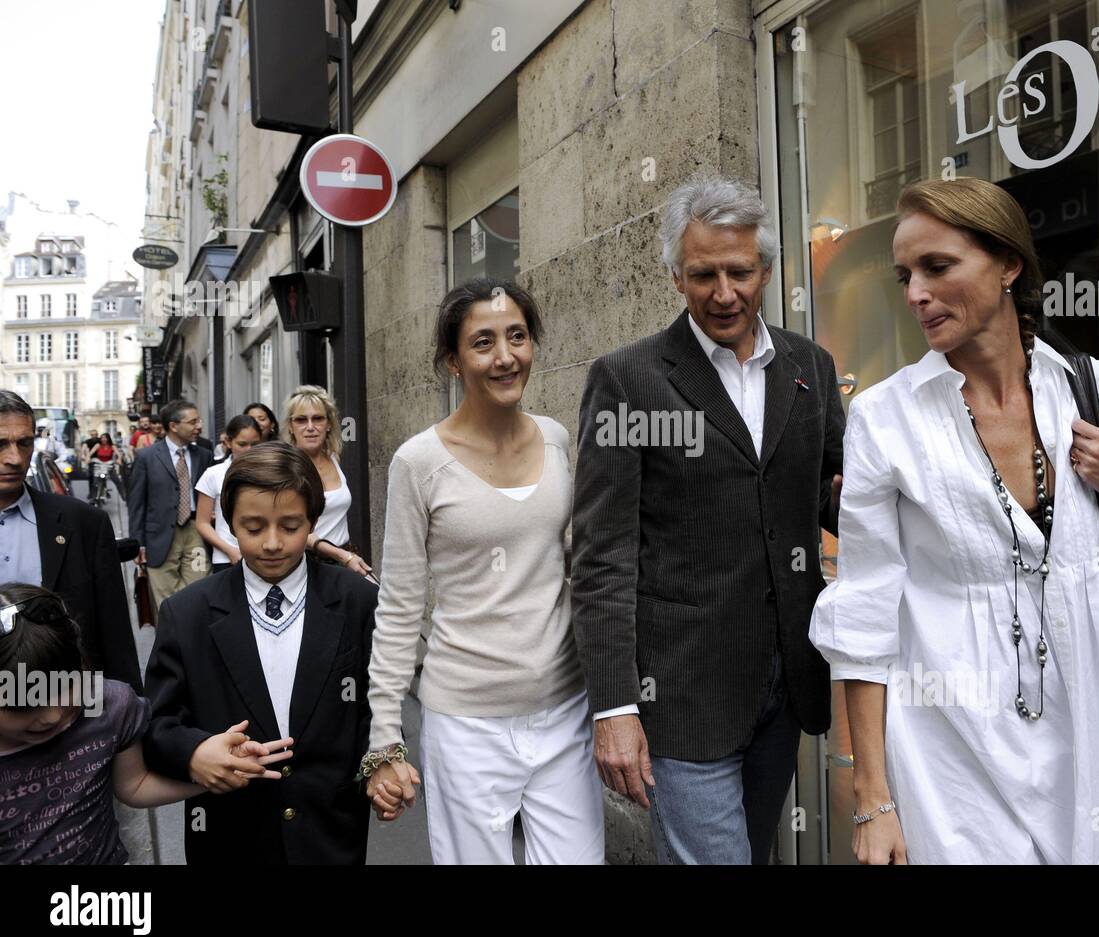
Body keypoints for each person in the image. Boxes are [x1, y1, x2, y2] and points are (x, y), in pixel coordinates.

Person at [809, 177, 1099, 865]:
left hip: (1089, 714)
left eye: (938, 266)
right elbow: (864, 617)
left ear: (1009, 264)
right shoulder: (885, 418)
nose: (915, 293)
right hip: (953, 737)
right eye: (905, 275)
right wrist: (874, 796)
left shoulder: (1085, 385)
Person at [570, 175, 845, 865]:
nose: (724, 293)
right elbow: (602, 556)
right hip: (682, 695)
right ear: (674, 275)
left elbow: (834, 497)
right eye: (703, 274)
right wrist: (615, 707)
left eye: (739, 272)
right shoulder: (628, 379)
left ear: (768, 270)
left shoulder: (809, 365)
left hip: (784, 684)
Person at [365, 279, 604, 865]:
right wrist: (384, 738)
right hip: (466, 721)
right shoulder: (419, 463)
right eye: (483, 342)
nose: (505, 357)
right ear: (453, 360)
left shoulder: (556, 439)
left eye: (517, 336)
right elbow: (398, 607)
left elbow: (575, 567)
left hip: (564, 708)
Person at [143, 443, 378, 864]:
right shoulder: (187, 613)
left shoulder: (356, 600)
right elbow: (158, 725)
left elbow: (373, 705)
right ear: (228, 523)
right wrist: (195, 752)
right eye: (253, 527)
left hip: (330, 834)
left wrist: (379, 764)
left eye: (290, 526)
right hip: (230, 836)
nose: (272, 543)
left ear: (313, 522)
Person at [0, 583, 289, 864]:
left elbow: (135, 786)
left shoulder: (110, 707)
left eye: (65, 689)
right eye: (24, 704)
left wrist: (216, 770)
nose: (51, 715)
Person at [0, 391, 141, 692]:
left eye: (24, 443)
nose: (13, 458)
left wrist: (127, 725)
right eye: (0, 444)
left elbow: (114, 637)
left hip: (68, 709)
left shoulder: (84, 523)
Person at [127, 399, 213, 606]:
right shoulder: (146, 457)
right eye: (192, 422)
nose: (199, 426)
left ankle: (191, 635)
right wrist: (138, 544)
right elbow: (137, 503)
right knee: (166, 601)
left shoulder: (204, 455)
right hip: (159, 536)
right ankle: (173, 637)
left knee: (198, 592)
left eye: (198, 420)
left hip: (197, 532)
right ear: (173, 426)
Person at [283, 385, 370, 577]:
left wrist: (345, 557)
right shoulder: (286, 469)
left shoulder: (333, 458)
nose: (310, 427)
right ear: (290, 426)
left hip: (344, 558)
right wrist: (342, 556)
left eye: (318, 418)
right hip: (305, 565)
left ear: (329, 424)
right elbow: (291, 528)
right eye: (301, 420)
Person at [194, 414, 263, 568]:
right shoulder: (214, 474)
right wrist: (230, 551)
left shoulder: (270, 471)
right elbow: (202, 523)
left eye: (255, 444)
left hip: (264, 555)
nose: (249, 450)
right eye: (242, 444)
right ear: (228, 442)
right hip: (227, 558)